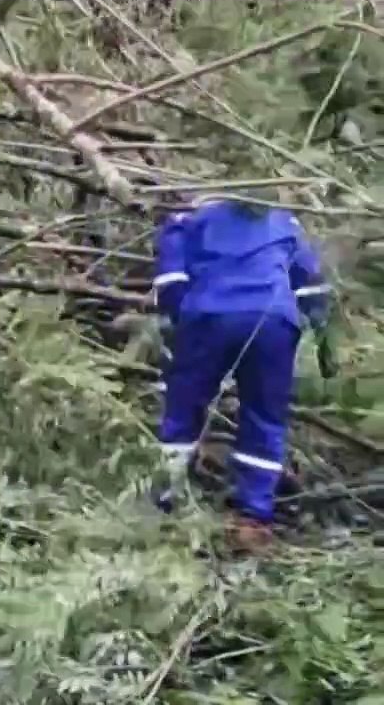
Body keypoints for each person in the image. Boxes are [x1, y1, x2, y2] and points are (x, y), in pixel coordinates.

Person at [152, 197, 330, 552]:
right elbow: (311, 284)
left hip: (209, 316)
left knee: (185, 406)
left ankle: (165, 499)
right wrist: (323, 334)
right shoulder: (283, 220)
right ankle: (254, 515)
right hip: (273, 321)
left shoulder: (184, 220)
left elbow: (170, 281)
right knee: (264, 415)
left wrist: (182, 323)